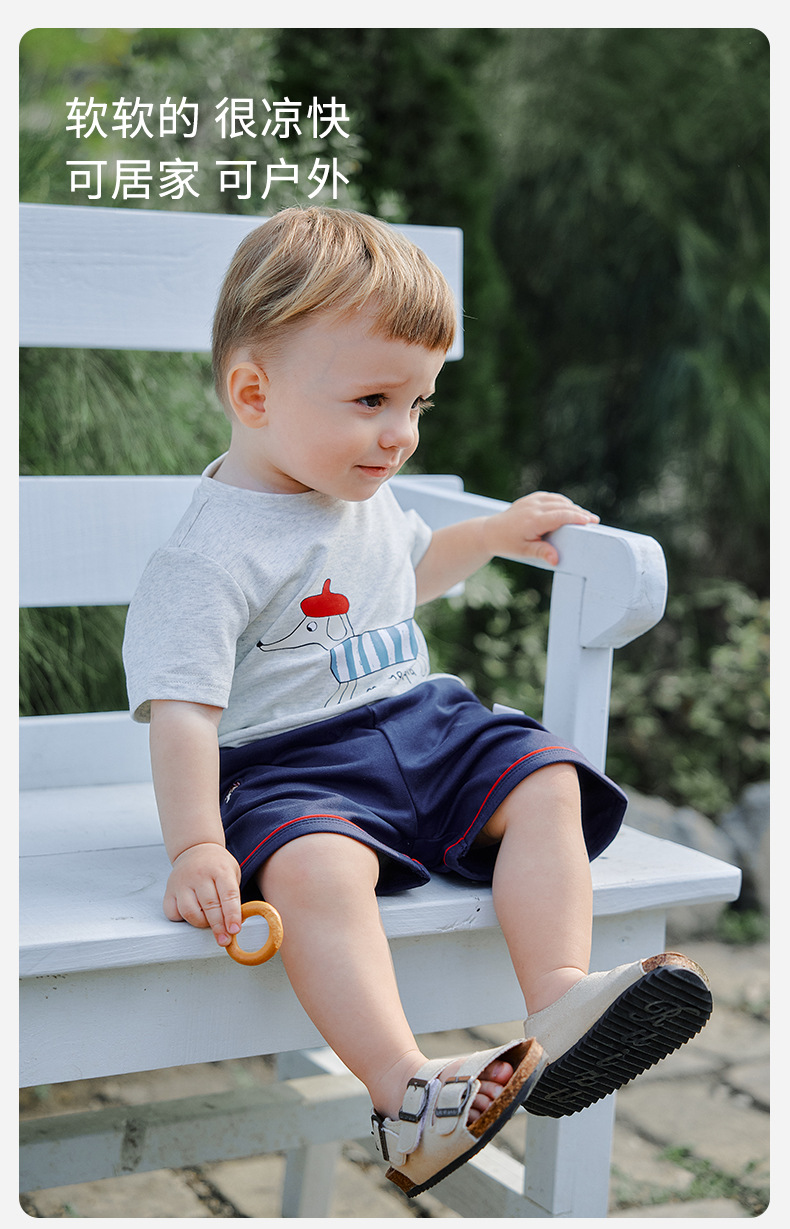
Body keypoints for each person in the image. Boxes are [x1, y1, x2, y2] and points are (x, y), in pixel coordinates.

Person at [123, 205, 712, 1197]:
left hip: (421, 725)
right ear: (254, 391)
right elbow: (183, 709)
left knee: (544, 778)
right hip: (291, 765)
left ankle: (561, 1000)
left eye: (418, 403)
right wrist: (195, 847)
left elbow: (406, 573)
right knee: (314, 870)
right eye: (373, 400)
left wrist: (491, 536)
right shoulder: (208, 554)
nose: (400, 434)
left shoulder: (356, 486)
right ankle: (405, 1095)